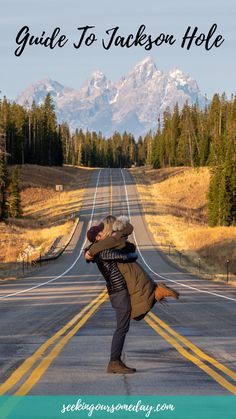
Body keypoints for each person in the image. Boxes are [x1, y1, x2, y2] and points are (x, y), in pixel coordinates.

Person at [85, 216, 179, 321]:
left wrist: (89, 252)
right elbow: (99, 247)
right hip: (130, 268)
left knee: (136, 302)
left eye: (100, 233)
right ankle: (157, 292)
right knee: (137, 300)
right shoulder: (112, 239)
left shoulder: (113, 238)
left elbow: (97, 248)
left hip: (127, 269)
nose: (98, 238)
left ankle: (157, 292)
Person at [85, 220, 138, 374]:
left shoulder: (99, 249)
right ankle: (114, 362)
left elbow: (129, 249)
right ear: (98, 238)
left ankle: (116, 360)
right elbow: (127, 256)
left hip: (118, 291)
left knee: (123, 327)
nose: (106, 233)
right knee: (121, 327)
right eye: (103, 232)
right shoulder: (103, 252)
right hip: (118, 291)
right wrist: (129, 252)